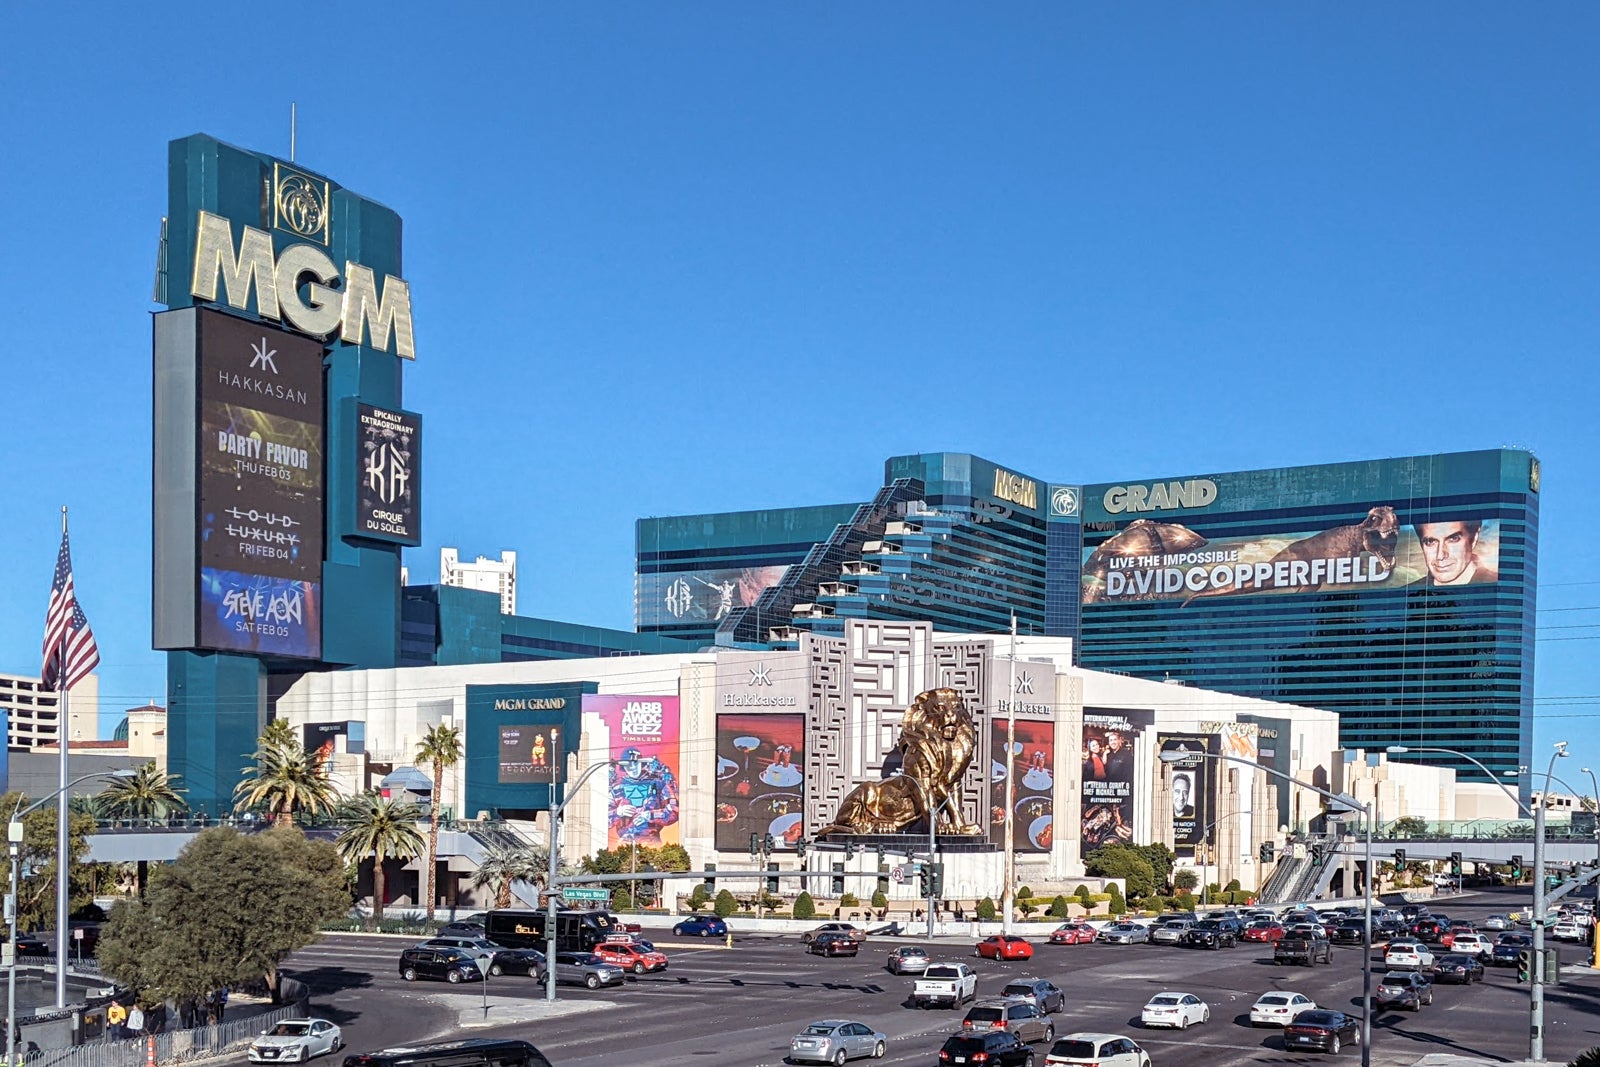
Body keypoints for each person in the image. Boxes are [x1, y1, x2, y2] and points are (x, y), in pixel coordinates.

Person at [1415, 520, 1497, 586]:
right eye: (1430, 542)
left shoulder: (1498, 585)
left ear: (1474, 539)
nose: (1440, 555)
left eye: (1453, 539)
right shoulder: (1409, 592)